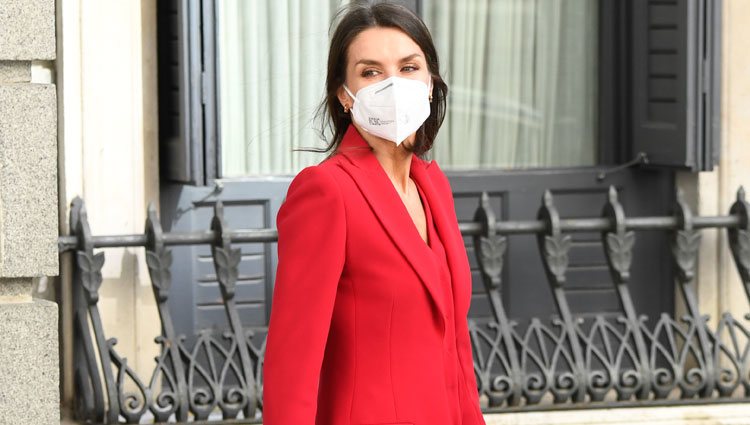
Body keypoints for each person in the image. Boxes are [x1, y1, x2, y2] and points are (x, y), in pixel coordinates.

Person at [262, 2, 486, 424]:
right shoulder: (327, 191)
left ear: (431, 82)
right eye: (371, 72)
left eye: (408, 67)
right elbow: (293, 360)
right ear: (344, 95)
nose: (393, 84)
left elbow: (455, 347)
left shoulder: (432, 185)